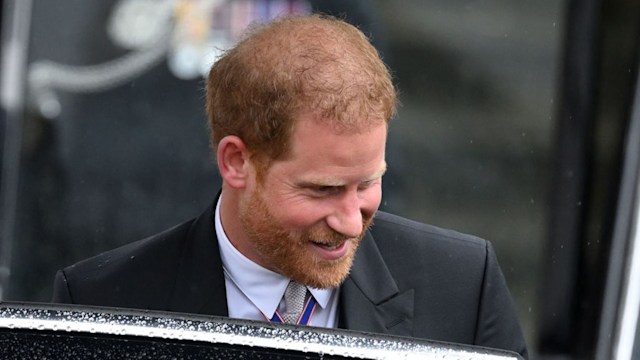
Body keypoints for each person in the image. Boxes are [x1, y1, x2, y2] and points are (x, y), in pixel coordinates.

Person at [52, 15, 528, 358]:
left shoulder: (464, 287)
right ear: (237, 161)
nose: (348, 222)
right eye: (322, 189)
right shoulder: (103, 303)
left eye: (368, 183)